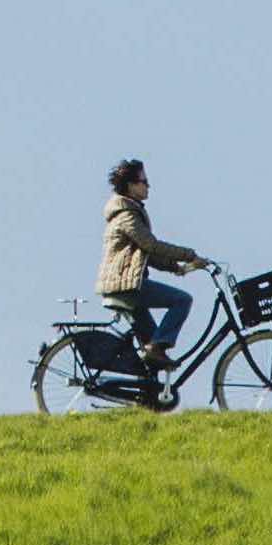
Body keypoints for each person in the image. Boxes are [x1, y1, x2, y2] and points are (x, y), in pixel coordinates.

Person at [99, 158, 210, 383]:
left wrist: (177, 268)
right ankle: (153, 352)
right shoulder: (126, 215)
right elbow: (151, 245)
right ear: (130, 186)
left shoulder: (130, 212)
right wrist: (189, 254)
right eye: (144, 181)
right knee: (182, 300)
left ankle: (148, 397)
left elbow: (146, 254)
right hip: (126, 287)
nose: (148, 186)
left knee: (152, 354)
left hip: (126, 286)